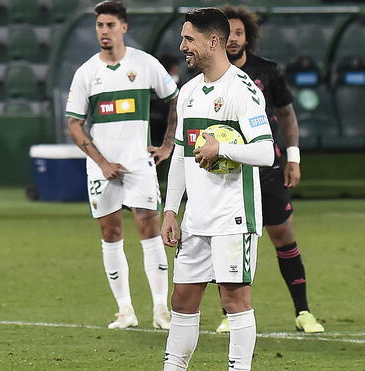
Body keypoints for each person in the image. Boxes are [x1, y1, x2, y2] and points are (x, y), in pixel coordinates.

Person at [162, 8, 274, 370]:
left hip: (233, 216)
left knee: (234, 301)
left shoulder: (243, 92)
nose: (182, 46)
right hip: (195, 217)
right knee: (182, 299)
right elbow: (180, 154)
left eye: (189, 39)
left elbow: (265, 151)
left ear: (214, 41)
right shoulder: (189, 92)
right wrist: (170, 210)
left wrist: (221, 148)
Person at [66, 1, 178, 330]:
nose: (104, 31)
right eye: (100, 25)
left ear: (124, 28)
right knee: (110, 233)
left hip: (139, 163)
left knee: (150, 230)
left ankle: (161, 310)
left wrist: (169, 144)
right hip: (101, 168)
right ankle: (125, 310)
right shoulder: (87, 71)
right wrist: (102, 162)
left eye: (110, 25)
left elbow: (175, 99)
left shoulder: (144, 64)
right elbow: (74, 123)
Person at [215, 5, 324, 334]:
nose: (233, 39)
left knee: (283, 237)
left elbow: (287, 115)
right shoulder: (207, 75)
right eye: (227, 33)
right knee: (228, 244)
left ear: (248, 36)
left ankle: (303, 312)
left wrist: (293, 157)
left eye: (239, 33)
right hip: (226, 175)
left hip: (268, 169)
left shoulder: (268, 71)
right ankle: (228, 313)